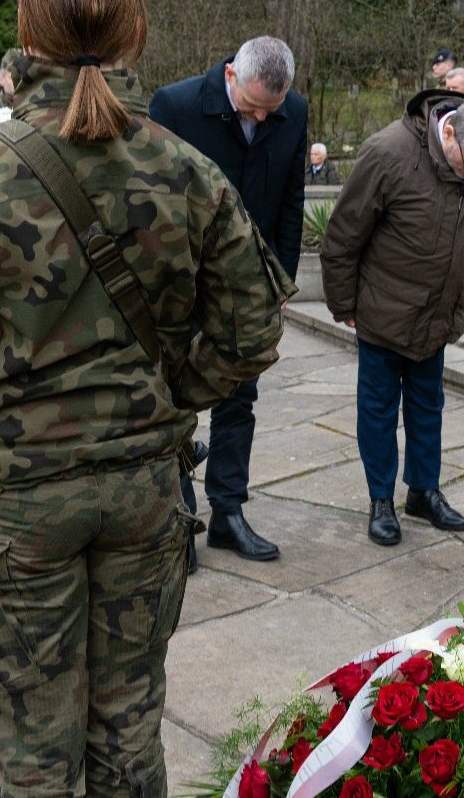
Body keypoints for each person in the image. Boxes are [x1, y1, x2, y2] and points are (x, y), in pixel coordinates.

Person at [0, 0, 287, 797]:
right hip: (143, 495)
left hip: (15, 511)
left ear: (29, 33)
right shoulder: (189, 170)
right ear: (132, 29)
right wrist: (175, 392)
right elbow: (254, 331)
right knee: (130, 737)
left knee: (35, 761)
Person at [320, 94, 464, 546]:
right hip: (383, 308)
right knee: (378, 409)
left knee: (429, 405)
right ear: (447, 131)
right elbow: (343, 235)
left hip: (441, 313)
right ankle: (380, 501)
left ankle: (424, 492)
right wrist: (344, 304)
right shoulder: (388, 153)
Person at [149, 35, 307, 564]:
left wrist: (279, 278)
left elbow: (291, 197)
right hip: (185, 284)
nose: (262, 120)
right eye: (253, 108)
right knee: (175, 400)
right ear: (231, 75)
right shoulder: (174, 106)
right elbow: (154, 201)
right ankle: (181, 518)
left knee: (239, 400)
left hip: (249, 285)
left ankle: (228, 513)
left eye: (272, 112)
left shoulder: (293, 110)